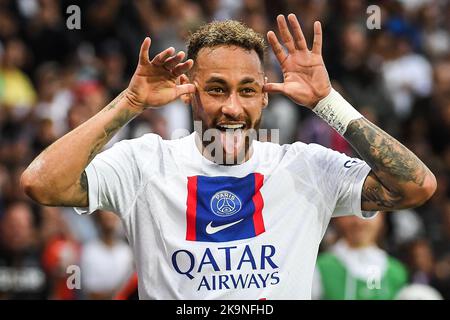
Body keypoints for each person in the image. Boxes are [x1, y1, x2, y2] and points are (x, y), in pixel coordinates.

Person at [21, 14, 437, 299]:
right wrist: (130, 102)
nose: (232, 108)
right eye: (217, 88)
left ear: (264, 96)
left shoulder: (306, 167)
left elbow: (416, 186)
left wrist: (328, 102)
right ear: (188, 89)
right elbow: (42, 183)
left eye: (247, 90)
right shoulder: (144, 163)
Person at [312, 214, 408, 300]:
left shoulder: (397, 272)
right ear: (338, 217)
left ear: (381, 217)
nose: (359, 222)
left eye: (369, 213)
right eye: (351, 214)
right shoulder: (320, 268)